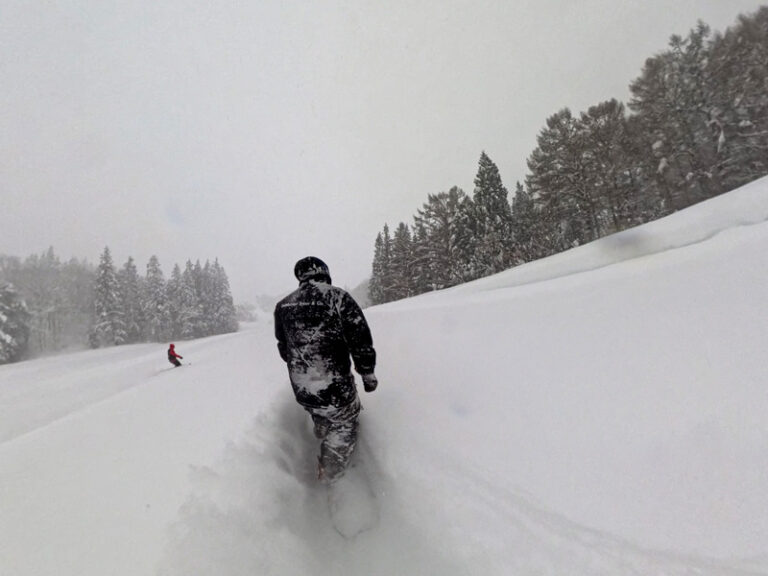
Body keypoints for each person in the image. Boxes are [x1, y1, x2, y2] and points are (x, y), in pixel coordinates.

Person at [274, 256, 378, 484]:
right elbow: (360, 341)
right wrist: (367, 372)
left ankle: (322, 431)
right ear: (325, 272)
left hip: (303, 389)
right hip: (336, 387)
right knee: (344, 424)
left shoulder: (283, 306)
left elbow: (284, 349)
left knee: (320, 413)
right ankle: (331, 475)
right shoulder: (337, 297)